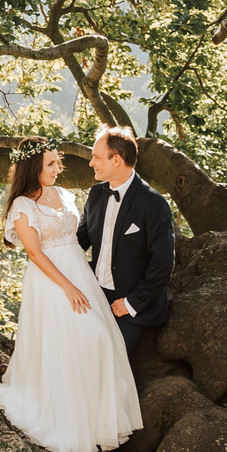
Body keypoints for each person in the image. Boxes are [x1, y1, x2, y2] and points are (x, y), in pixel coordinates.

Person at [0, 140, 142, 452]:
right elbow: (34, 253)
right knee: (89, 341)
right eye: (51, 164)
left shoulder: (64, 195)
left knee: (99, 343)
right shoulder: (22, 206)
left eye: (58, 162)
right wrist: (68, 286)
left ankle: (103, 434)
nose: (58, 169)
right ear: (33, 168)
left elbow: (80, 237)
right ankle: (76, 428)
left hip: (81, 278)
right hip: (53, 284)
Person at [77, 124, 176, 367]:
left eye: (97, 157)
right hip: (94, 297)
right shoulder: (96, 194)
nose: (91, 163)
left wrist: (131, 303)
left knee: (102, 362)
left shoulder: (153, 203)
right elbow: (78, 241)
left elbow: (163, 263)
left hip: (132, 308)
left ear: (116, 160)